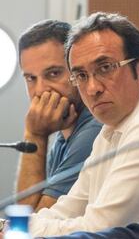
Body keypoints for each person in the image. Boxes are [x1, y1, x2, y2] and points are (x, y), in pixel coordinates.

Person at [28, 12, 139, 237]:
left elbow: (98, 230)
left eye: (105, 68)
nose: (92, 88)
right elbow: (66, 210)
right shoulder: (112, 128)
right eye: (81, 76)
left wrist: (14, 229)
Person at [16, 20, 102, 211]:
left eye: (53, 73)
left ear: (77, 70)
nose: (40, 90)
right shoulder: (64, 126)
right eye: (31, 78)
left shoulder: (94, 130)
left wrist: (35, 134)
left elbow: (28, 222)